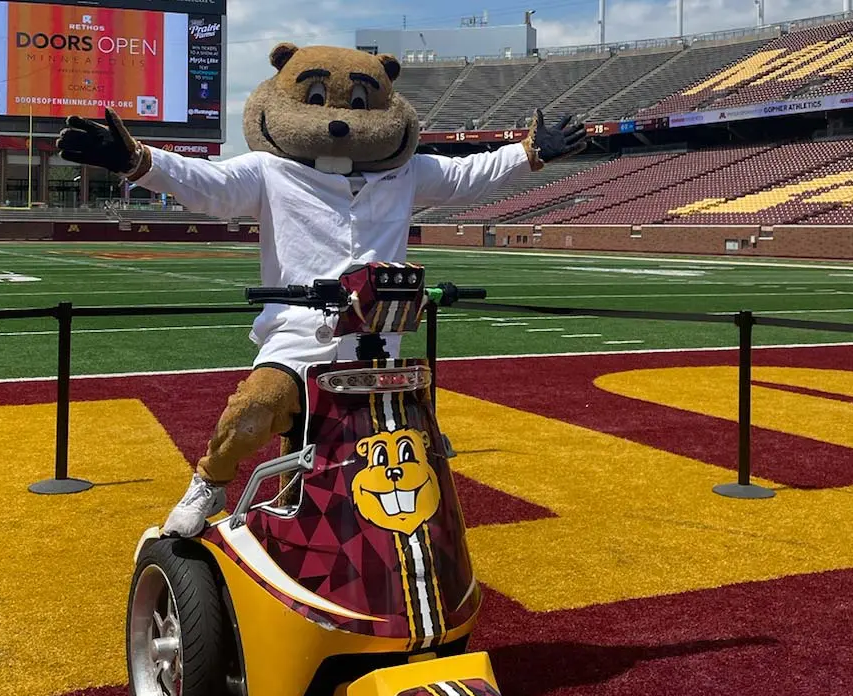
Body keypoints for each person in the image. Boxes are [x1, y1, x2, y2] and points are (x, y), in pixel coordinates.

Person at [57, 43, 587, 537]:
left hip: (379, 342)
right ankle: (211, 481)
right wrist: (136, 160)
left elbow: (469, 174)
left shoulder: (405, 173)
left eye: (360, 101)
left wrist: (529, 152)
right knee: (253, 411)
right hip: (298, 334)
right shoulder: (271, 170)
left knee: (406, 444)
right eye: (315, 98)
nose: (338, 118)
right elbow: (207, 184)